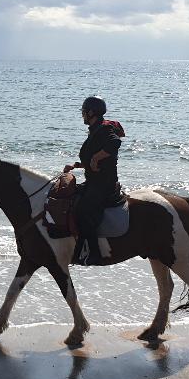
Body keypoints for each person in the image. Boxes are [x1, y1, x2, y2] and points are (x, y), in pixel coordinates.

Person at [63, 96, 124, 266]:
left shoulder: (104, 129)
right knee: (69, 197)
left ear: (91, 113)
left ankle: (94, 252)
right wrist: (76, 165)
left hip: (104, 184)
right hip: (94, 182)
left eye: (83, 112)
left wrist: (96, 158)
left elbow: (115, 143)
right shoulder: (94, 129)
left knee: (83, 210)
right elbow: (91, 160)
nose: (82, 115)